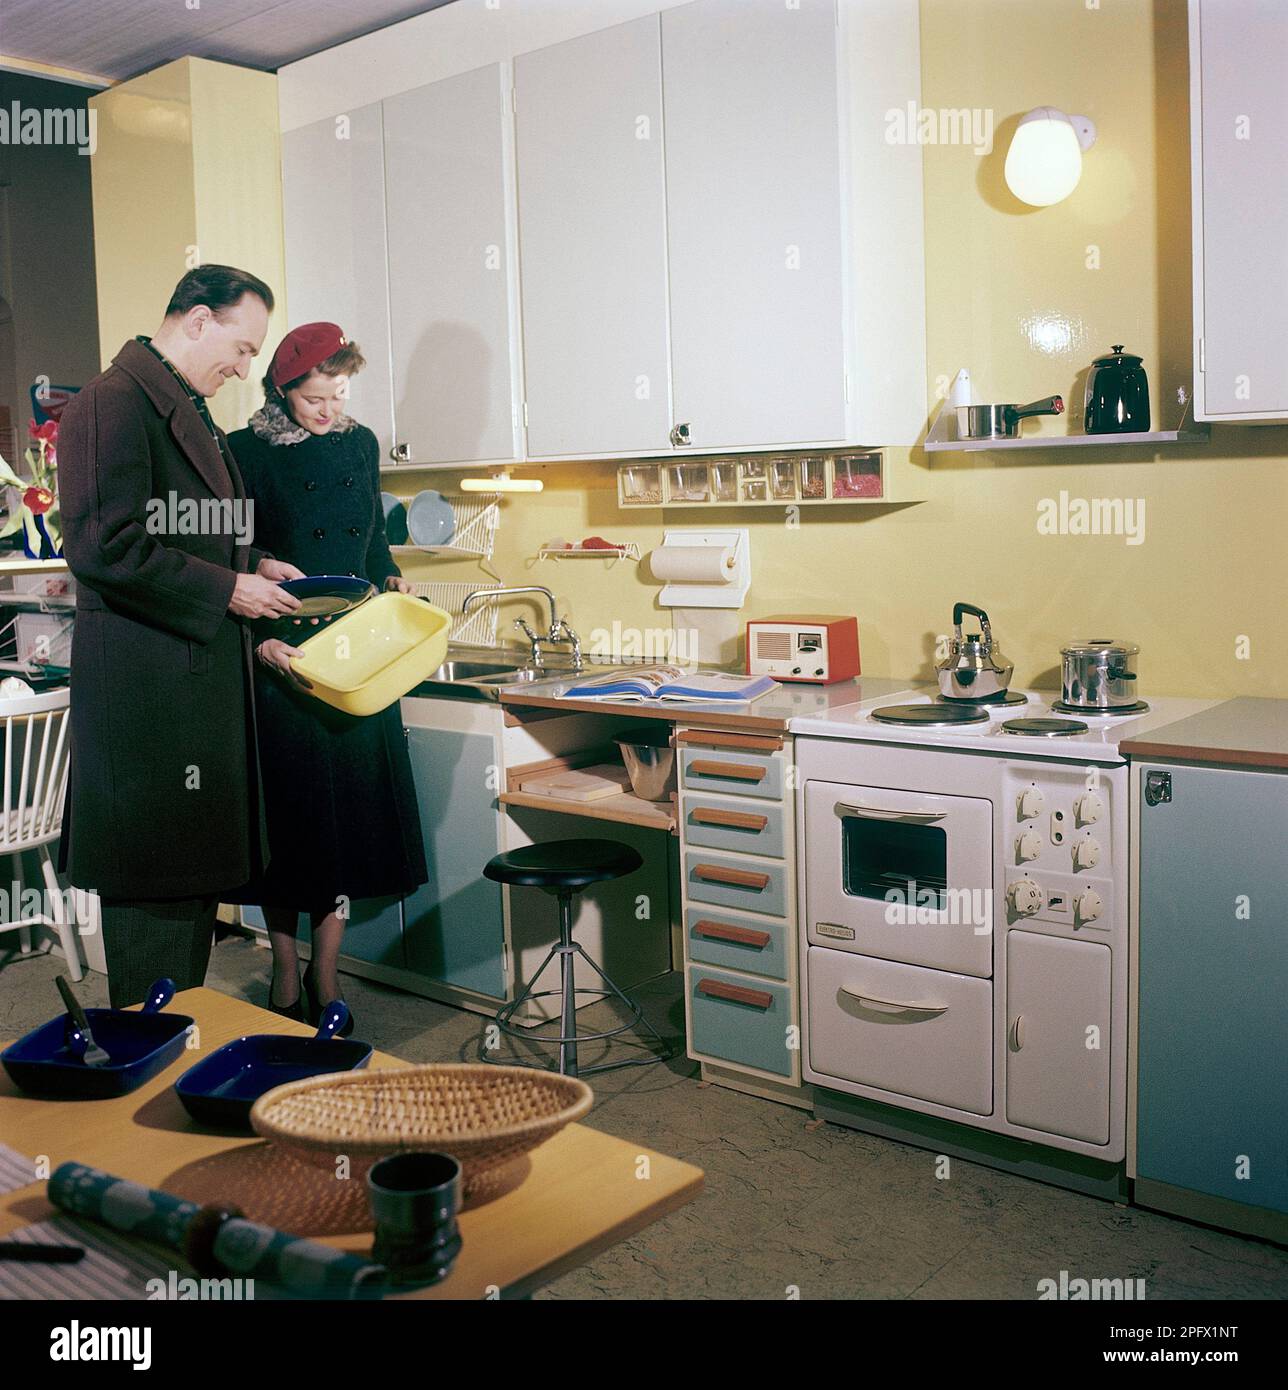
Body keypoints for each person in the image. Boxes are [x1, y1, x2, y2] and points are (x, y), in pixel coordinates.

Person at [57, 265, 305, 1007]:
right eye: (241, 345)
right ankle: (142, 1099)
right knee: (155, 925)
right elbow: (106, 546)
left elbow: (178, 530)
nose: (245, 366)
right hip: (151, 711)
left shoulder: (181, 406)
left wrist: (251, 562)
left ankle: (171, 1076)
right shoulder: (111, 403)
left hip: (189, 701)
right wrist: (230, 587)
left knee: (186, 915)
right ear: (197, 321)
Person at [227, 323, 427, 1034]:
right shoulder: (243, 450)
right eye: (314, 396)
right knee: (290, 832)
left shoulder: (361, 442)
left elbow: (371, 538)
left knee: (343, 831)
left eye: (339, 394)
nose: (328, 409)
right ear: (282, 390)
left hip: (357, 648)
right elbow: (233, 554)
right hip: (285, 651)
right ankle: (284, 967)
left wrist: (392, 583)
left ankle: (326, 970)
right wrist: (259, 641)